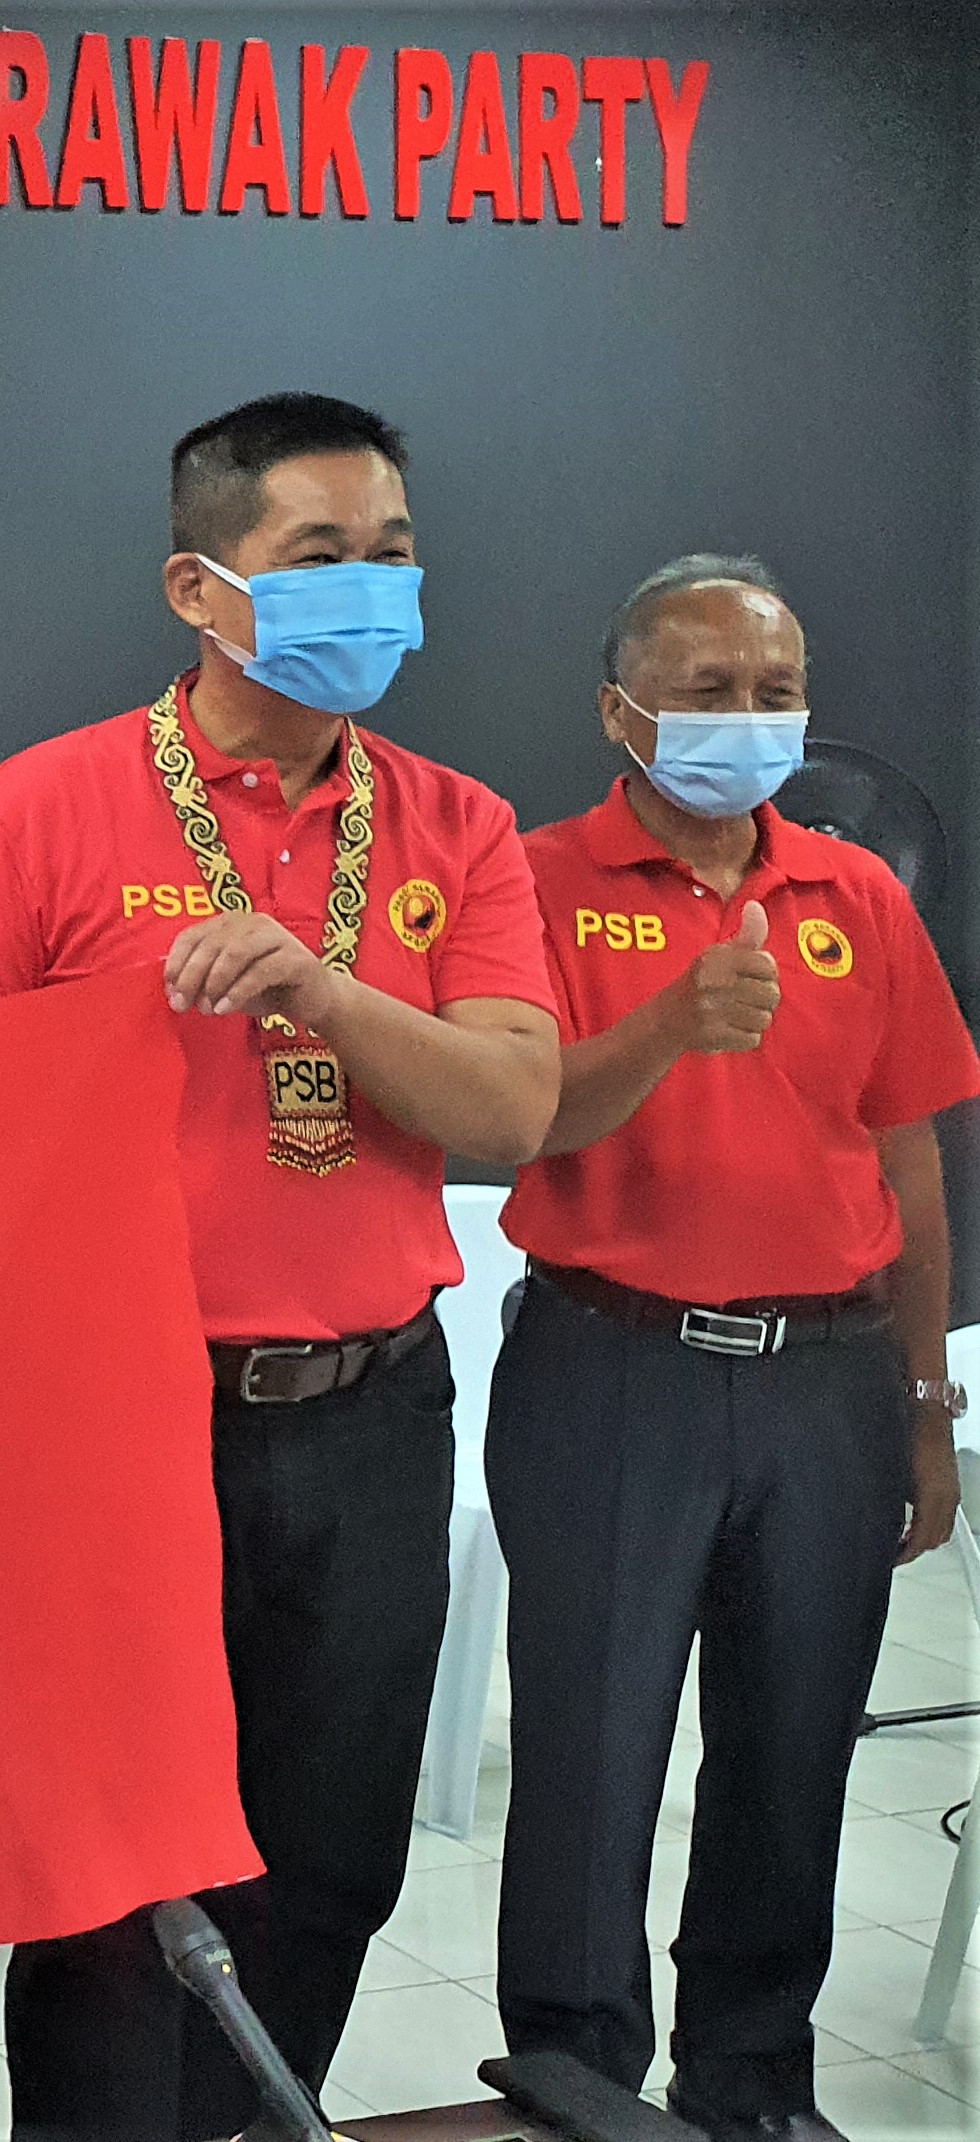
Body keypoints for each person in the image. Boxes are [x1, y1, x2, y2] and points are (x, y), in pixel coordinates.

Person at [0, 392, 562, 2140]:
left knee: (327, 1861)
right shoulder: (38, 808)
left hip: (366, 1416)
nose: (373, 589)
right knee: (114, 1888)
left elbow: (512, 1105)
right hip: (119, 1425)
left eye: (392, 553)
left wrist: (323, 992)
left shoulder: (457, 824)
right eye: (319, 556)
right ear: (199, 589)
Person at [490, 556, 976, 2139]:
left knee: (793, 1749)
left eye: (777, 692)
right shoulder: (532, 881)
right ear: (620, 711)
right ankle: (573, 2079)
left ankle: (753, 2079)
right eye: (708, 693)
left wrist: (924, 1403)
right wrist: (671, 1023)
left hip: (828, 1382)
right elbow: (520, 1117)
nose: (748, 719)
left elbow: (908, 1159)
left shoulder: (859, 893)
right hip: (609, 1366)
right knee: (590, 1747)